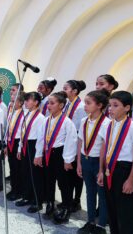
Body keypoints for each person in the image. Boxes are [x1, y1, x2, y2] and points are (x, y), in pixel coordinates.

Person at [97, 91, 133, 234]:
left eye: (115, 105)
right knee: (112, 208)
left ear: (127, 108)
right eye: (110, 105)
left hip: (124, 170)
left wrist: (131, 179)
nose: (110, 109)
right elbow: (104, 148)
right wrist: (100, 171)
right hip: (109, 169)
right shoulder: (107, 125)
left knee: (125, 211)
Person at [34, 91, 77, 224]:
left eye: (52, 103)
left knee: (63, 183)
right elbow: (41, 138)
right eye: (48, 103)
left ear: (61, 105)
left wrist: (68, 160)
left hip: (60, 154)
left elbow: (71, 141)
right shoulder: (46, 120)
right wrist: (38, 154)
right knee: (49, 180)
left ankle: (66, 207)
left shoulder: (67, 122)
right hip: (48, 152)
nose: (49, 106)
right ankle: (50, 203)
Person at [76, 90, 110, 234]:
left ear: (99, 105)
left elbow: (107, 147)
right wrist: (78, 162)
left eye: (88, 103)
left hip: (99, 162)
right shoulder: (84, 120)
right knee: (89, 192)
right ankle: (90, 221)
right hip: (85, 159)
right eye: (85, 102)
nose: (85, 105)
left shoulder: (107, 123)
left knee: (102, 194)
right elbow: (80, 142)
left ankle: (101, 224)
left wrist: (102, 169)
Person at [16, 92, 45, 213]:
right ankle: (26, 196)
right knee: (26, 173)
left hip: (34, 146)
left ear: (36, 102)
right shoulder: (26, 115)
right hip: (25, 145)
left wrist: (38, 155)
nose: (26, 102)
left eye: (29, 100)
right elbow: (22, 133)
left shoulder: (41, 118)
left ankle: (37, 201)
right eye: (26, 100)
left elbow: (41, 138)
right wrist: (19, 148)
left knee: (35, 175)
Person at [63, 80, 88, 212]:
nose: (63, 90)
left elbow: (81, 129)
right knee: (67, 175)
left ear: (74, 91)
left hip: (76, 141)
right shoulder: (67, 104)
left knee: (76, 175)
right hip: (66, 141)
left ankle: (76, 200)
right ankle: (67, 199)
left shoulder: (81, 106)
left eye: (66, 88)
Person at [5, 93, 25, 201]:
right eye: (11, 101)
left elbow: (22, 133)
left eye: (13, 101)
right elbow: (8, 129)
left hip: (17, 143)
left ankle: (19, 191)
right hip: (10, 141)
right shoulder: (11, 113)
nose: (11, 103)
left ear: (21, 103)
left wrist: (19, 148)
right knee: (12, 168)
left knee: (18, 169)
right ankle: (13, 189)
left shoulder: (23, 115)